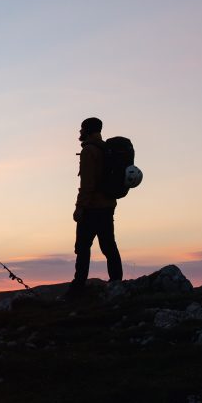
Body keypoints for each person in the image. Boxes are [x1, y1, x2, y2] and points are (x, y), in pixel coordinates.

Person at [65, 117, 123, 298]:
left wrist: (80, 207)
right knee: (108, 245)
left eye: (81, 129)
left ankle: (78, 288)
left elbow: (87, 183)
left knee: (82, 247)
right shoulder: (106, 149)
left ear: (87, 131)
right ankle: (116, 283)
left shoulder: (89, 150)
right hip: (108, 205)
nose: (79, 133)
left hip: (92, 206)